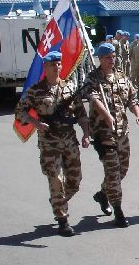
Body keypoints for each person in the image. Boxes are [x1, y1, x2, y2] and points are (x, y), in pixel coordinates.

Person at [14, 51, 90, 236]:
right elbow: (19, 113)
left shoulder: (70, 87)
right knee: (56, 179)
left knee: (75, 181)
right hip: (49, 142)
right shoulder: (35, 90)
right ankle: (62, 219)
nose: (56, 67)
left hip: (69, 140)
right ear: (45, 68)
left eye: (58, 64)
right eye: (52, 65)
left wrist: (86, 133)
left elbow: (80, 113)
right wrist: (36, 123)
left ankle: (58, 200)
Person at [84, 42, 139, 227]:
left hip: (122, 132)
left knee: (122, 170)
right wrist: (107, 116)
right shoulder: (92, 78)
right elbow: (93, 99)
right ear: (100, 59)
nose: (112, 60)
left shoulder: (121, 76)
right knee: (112, 172)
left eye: (113, 57)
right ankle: (118, 210)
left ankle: (103, 194)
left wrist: (138, 115)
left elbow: (131, 98)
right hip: (103, 134)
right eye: (108, 57)